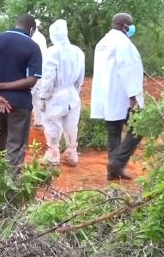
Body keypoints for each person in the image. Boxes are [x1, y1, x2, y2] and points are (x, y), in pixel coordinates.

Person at [0, 14, 42, 175]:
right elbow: (32, 80)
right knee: (16, 146)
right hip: (19, 104)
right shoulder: (33, 46)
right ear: (32, 29)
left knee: (0, 142)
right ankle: (10, 191)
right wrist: (5, 86)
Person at [90, 13, 144, 180]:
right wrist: (133, 95)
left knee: (114, 131)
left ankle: (113, 170)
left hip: (107, 95)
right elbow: (127, 69)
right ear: (123, 25)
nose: (132, 27)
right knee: (141, 125)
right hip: (123, 95)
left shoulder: (102, 43)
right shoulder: (122, 43)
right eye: (131, 24)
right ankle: (117, 163)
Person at [39, 19, 85, 167]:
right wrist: (75, 92)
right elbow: (80, 78)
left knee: (51, 122)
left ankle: (53, 154)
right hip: (72, 92)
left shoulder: (51, 52)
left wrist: (43, 96)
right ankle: (72, 152)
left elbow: (48, 77)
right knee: (71, 123)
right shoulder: (78, 51)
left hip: (56, 94)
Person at [31, 19, 48, 128]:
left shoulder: (34, 37)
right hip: (42, 69)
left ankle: (27, 120)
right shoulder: (40, 37)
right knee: (37, 95)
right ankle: (39, 120)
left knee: (29, 93)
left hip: (34, 69)